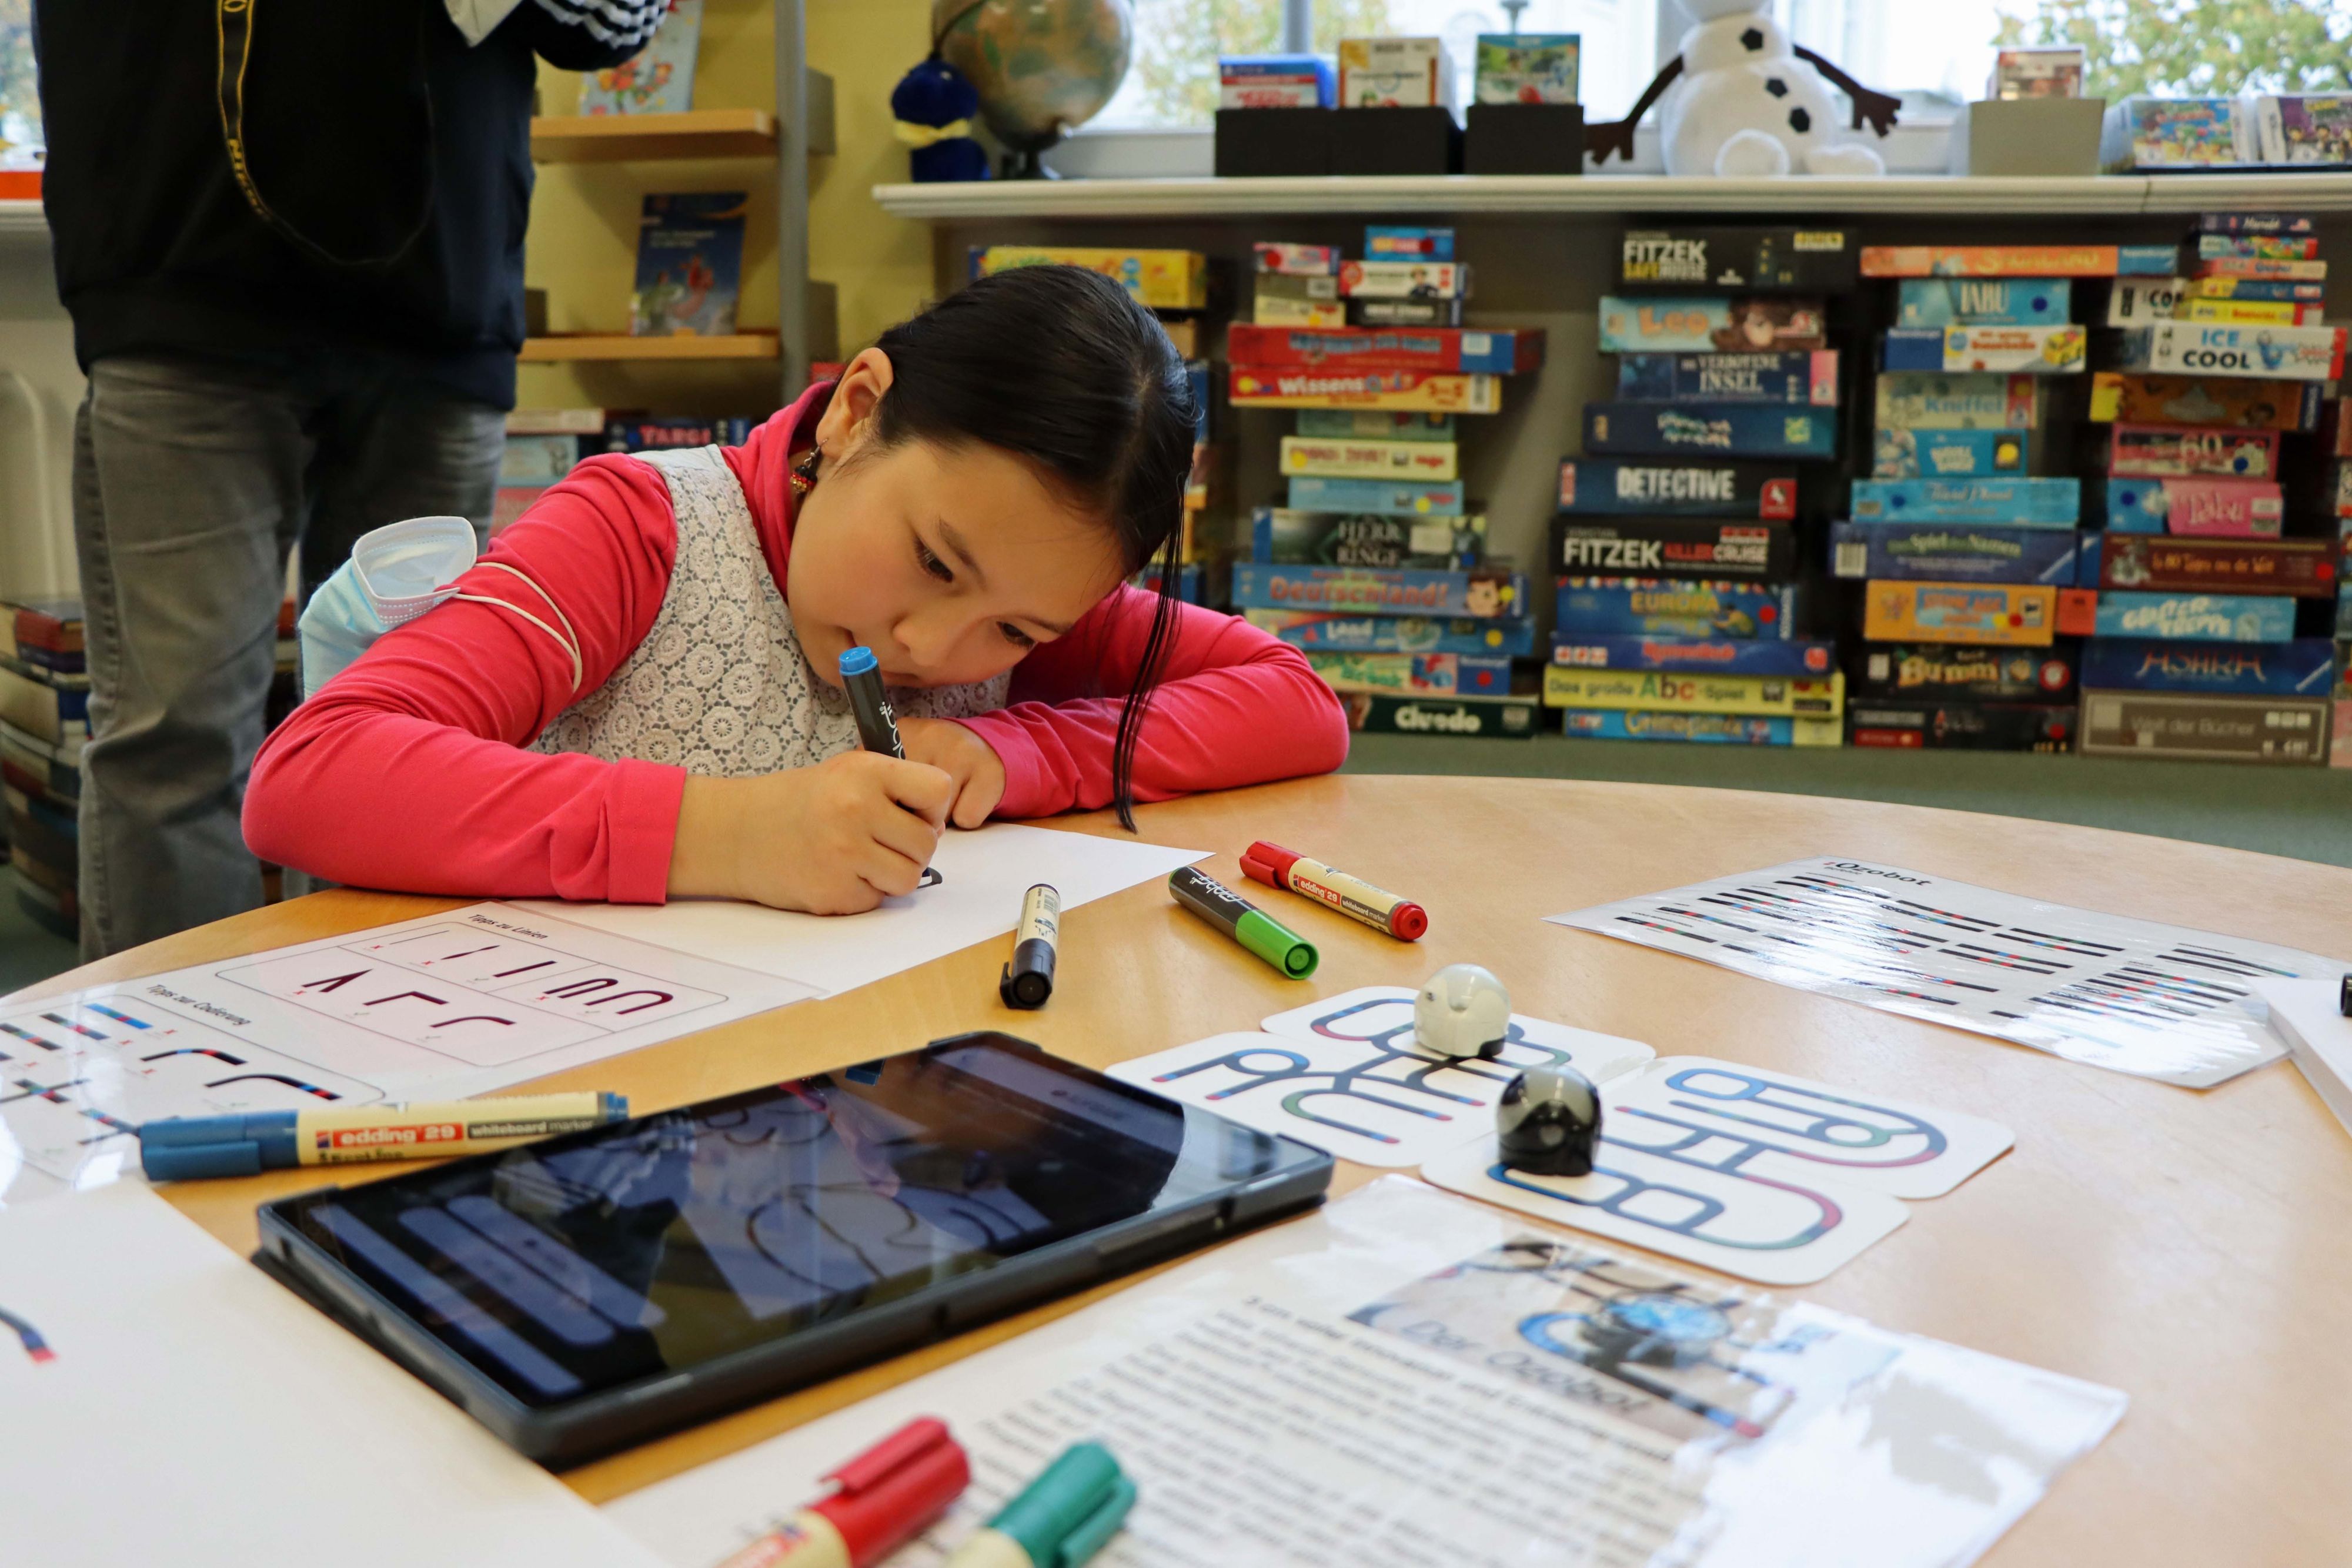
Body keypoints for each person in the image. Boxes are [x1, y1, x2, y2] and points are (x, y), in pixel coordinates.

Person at [244, 266, 1352, 913]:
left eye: (1014, 629)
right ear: (855, 410)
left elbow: (1297, 700)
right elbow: (310, 774)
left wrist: (1016, 753)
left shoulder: (1030, 579)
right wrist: (720, 838)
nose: (933, 646)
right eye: (932, 561)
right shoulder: (639, 530)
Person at [35, 0, 666, 955]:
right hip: (179, 273)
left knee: (411, 739)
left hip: (435, 299)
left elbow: (617, 25)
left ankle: (385, 1072)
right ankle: (171, 1078)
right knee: (179, 744)